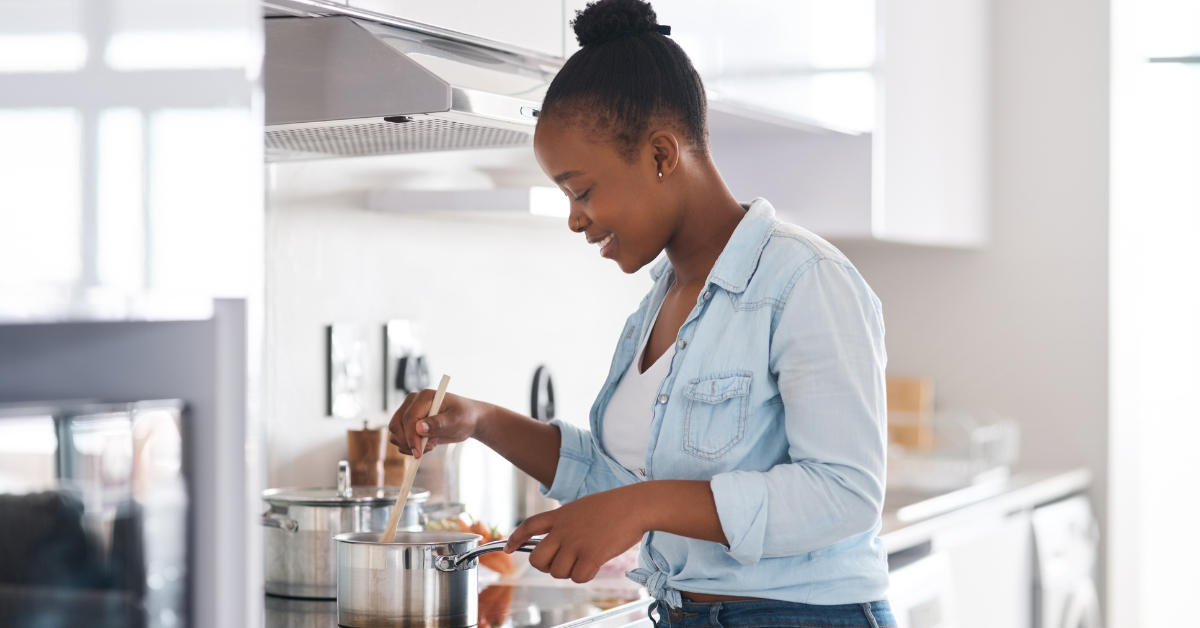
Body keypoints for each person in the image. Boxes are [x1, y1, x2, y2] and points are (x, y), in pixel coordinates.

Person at [390, 0, 894, 625]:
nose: (574, 217)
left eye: (582, 189)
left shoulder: (805, 281)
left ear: (661, 155)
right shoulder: (660, 300)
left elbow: (844, 495)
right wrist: (483, 421)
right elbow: (616, 482)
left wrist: (642, 507)